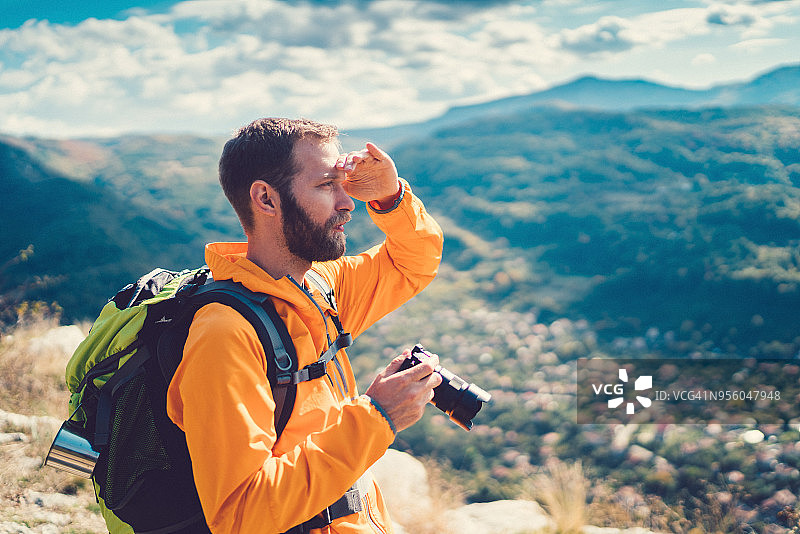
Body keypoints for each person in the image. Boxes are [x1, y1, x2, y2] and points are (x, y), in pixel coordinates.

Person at [165, 117, 445, 533]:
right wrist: (377, 416)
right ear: (265, 198)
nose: (348, 202)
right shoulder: (226, 333)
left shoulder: (318, 288)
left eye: (342, 183)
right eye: (326, 185)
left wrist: (390, 197)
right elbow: (241, 514)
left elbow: (414, 261)